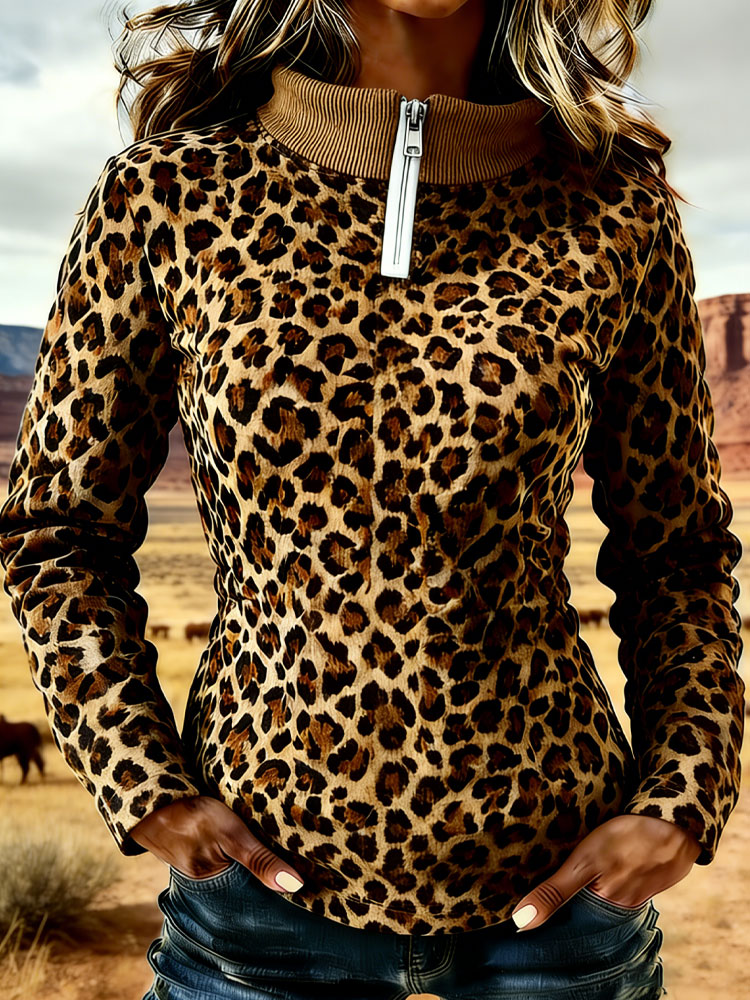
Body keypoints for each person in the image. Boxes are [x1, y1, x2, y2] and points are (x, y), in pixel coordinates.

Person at [0, 0, 743, 997]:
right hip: (257, 913)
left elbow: (679, 554)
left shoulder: (615, 212)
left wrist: (683, 794)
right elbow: (57, 533)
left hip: (559, 909)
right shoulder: (164, 193)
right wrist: (141, 782)